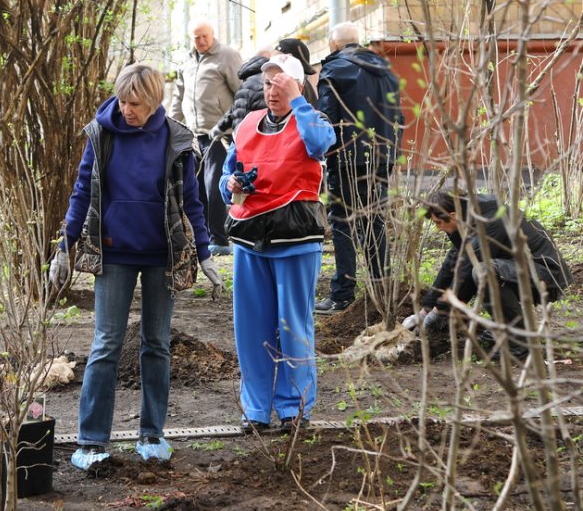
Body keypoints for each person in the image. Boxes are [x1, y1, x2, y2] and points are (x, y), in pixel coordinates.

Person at [50, 63, 222, 470]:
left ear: (154, 102)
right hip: (114, 253)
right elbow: (82, 190)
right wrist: (64, 246)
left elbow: (192, 201)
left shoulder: (176, 139)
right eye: (123, 101)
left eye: (136, 104)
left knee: (156, 344)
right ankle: (91, 441)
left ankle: (152, 433)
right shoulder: (102, 134)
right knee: (106, 344)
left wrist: (204, 251)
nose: (127, 110)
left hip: (162, 254)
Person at [219, 54, 334, 432]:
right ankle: (255, 410)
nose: (272, 91)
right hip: (249, 237)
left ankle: (294, 408)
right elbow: (227, 174)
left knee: (293, 328)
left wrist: (298, 101)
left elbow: (321, 145)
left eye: (281, 84)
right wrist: (229, 184)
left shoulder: (311, 120)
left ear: (297, 86)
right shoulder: (248, 124)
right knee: (251, 330)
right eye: (268, 84)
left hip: (295, 239)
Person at [403, 191, 573, 359]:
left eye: (438, 223)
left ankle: (521, 343)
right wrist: (425, 310)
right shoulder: (466, 218)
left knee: (483, 271)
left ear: (452, 215)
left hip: (545, 273)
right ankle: (505, 329)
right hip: (517, 270)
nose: (438, 228)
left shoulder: (489, 221)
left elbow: (466, 272)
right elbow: (452, 263)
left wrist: (439, 311)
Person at [314, 22, 404, 314]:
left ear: (333, 43)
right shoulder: (386, 69)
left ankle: (342, 294)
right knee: (374, 220)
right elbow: (398, 116)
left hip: (346, 159)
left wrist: (323, 152)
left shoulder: (334, 70)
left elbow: (327, 119)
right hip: (382, 156)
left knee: (342, 223)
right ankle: (381, 286)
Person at [168, 21, 242, 256]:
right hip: (193, 134)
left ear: (212, 35)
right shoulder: (186, 61)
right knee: (196, 187)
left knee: (214, 185)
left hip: (219, 134)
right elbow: (178, 96)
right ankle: (204, 236)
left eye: (204, 36)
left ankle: (220, 239)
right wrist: (170, 126)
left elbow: (241, 93)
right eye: (196, 37)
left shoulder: (227, 56)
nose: (201, 41)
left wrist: (237, 125)